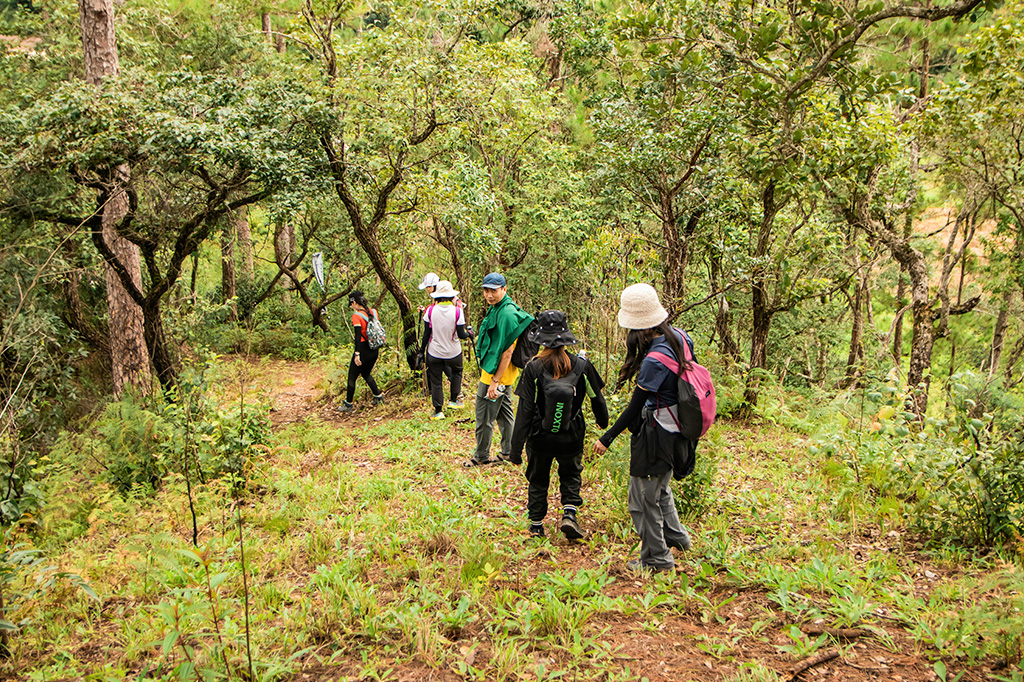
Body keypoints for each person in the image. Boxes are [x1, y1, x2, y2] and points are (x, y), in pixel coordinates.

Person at [593, 283, 695, 573]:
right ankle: (678, 538)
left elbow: (634, 408)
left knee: (641, 498)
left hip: (658, 432)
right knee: (660, 487)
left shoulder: (654, 361)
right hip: (680, 429)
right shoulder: (679, 337)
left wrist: (607, 438)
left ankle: (657, 560)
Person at [510, 311, 608, 539]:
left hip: (539, 436)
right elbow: (597, 399)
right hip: (571, 434)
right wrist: (603, 423)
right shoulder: (582, 366)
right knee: (571, 473)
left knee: (538, 477)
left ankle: (535, 525)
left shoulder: (533, 368)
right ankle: (570, 514)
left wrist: (515, 450)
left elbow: (524, 413)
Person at [465, 272, 533, 467]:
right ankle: (509, 452)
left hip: (497, 375)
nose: (489, 295)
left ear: (504, 289)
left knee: (484, 415)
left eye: (493, 290)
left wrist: (495, 381)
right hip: (501, 374)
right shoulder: (498, 308)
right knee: (504, 414)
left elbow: (508, 352)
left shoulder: (506, 314)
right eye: (486, 290)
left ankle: (481, 456)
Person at [421, 280, 471, 419]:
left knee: (436, 381)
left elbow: (426, 334)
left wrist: (421, 351)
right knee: (457, 372)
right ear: (451, 296)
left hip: (434, 352)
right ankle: (454, 400)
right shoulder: (457, 312)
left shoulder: (430, 311)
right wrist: (469, 334)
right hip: (453, 351)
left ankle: (438, 411)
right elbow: (461, 334)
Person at [338, 290, 385, 412]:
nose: (351, 307)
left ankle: (348, 404)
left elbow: (358, 337)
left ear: (353, 302)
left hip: (363, 350)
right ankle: (378, 397)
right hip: (374, 349)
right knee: (365, 373)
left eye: (351, 304)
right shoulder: (374, 312)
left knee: (352, 376)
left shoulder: (356, 316)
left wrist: (357, 354)